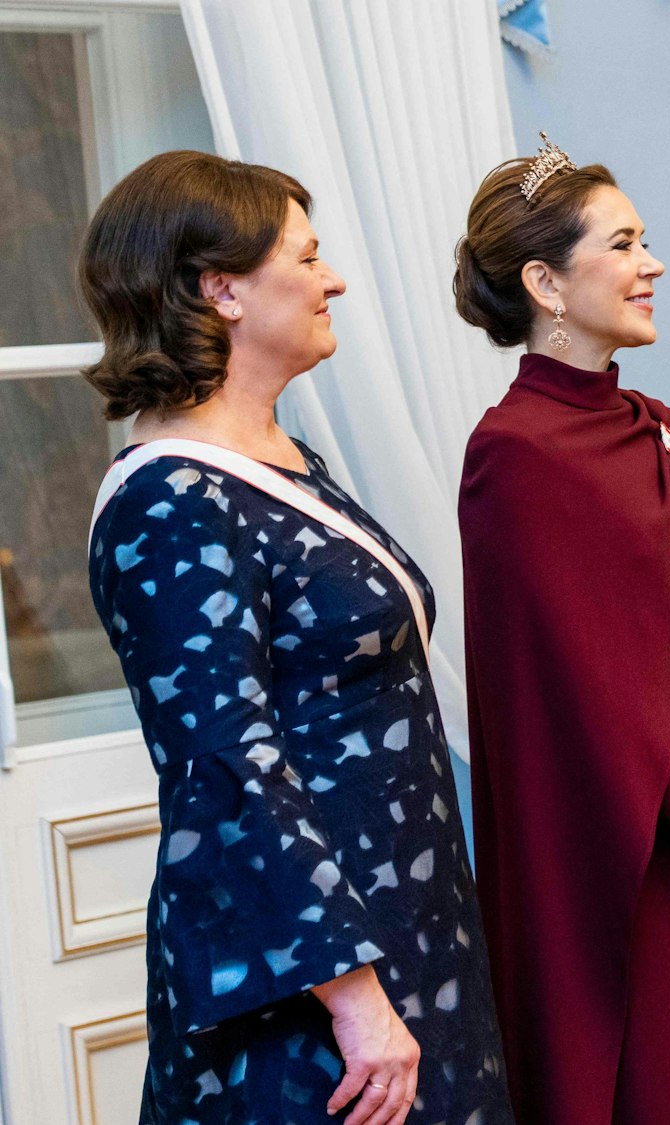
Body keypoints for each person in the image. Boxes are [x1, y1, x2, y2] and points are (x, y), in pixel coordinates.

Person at [80, 150, 511, 1125]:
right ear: (221, 288)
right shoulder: (173, 499)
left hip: (401, 929)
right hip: (311, 984)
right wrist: (355, 1001)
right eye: (307, 257)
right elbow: (226, 764)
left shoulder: (279, 458)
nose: (334, 279)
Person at [454, 136, 670, 1125]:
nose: (652, 266)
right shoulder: (513, 453)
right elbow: (586, 705)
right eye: (624, 244)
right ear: (544, 283)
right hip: (643, 866)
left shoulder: (666, 427)